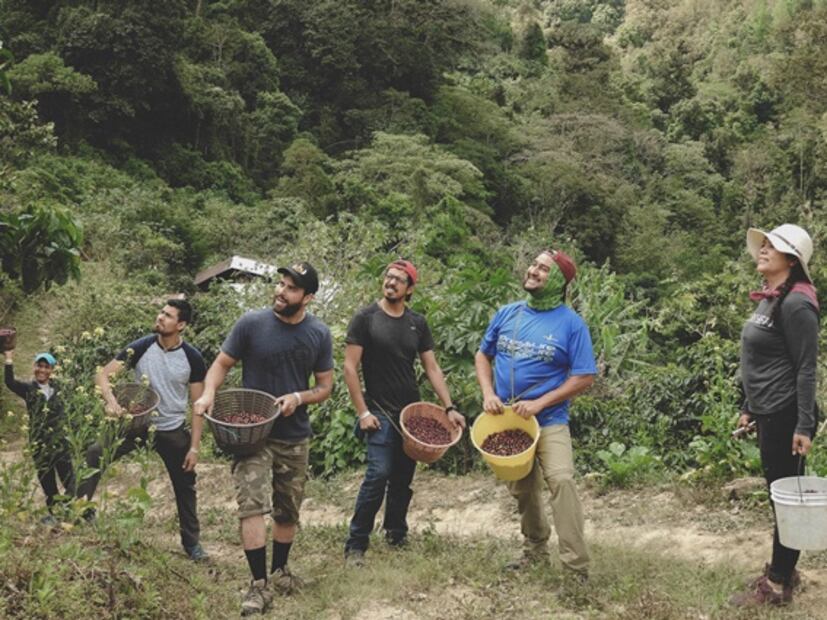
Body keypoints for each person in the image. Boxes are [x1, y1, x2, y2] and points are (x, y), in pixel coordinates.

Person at [193, 261, 333, 617]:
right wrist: (209, 392)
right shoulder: (251, 324)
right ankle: (258, 585)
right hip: (251, 435)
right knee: (251, 505)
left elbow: (325, 387)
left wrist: (298, 397)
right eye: (280, 283)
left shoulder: (319, 334)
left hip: (293, 434)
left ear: (308, 297)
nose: (281, 291)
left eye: (291, 288)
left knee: (288, 509)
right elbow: (221, 364)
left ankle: (281, 571)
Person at [475, 249, 596, 580]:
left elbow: (584, 376)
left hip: (550, 420)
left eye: (543, 269)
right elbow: (483, 356)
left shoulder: (571, 324)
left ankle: (576, 567)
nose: (533, 271)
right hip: (509, 421)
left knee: (562, 480)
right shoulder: (508, 314)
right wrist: (488, 393)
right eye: (534, 265)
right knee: (524, 489)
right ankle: (535, 551)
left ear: (557, 281)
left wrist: (541, 403)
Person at [343, 260, 465, 565]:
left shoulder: (417, 323)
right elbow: (350, 367)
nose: (391, 282)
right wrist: (362, 412)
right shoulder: (365, 318)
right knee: (378, 474)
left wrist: (449, 407)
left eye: (399, 279)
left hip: (410, 413)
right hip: (379, 411)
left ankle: (396, 534)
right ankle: (356, 544)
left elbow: (431, 367)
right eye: (389, 277)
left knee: (401, 477)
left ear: (410, 289)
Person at [76, 299, 209, 561]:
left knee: (186, 483)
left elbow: (198, 405)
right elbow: (103, 375)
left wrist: (194, 447)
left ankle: (192, 544)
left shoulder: (192, 358)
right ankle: (80, 511)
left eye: (168, 315)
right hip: (136, 422)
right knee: (95, 453)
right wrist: (111, 402)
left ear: (181, 325)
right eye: (161, 312)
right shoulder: (141, 346)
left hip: (171, 429)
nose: (160, 317)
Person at [731, 224, 819, 607]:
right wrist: (748, 406)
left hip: (786, 414)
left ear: (792, 259)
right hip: (768, 410)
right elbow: (760, 360)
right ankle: (786, 569)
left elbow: (806, 368)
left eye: (773, 246)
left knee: (785, 501)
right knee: (778, 497)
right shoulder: (772, 297)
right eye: (763, 244)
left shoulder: (797, 304)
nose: (763, 249)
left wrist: (803, 425)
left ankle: (778, 583)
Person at [4, 347, 74, 519]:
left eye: (46, 367)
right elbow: (9, 382)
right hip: (39, 443)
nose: (42, 370)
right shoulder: (28, 389)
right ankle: (55, 515)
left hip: (60, 442)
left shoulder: (60, 388)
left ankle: (78, 510)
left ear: (52, 370)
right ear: (34, 367)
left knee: (70, 479)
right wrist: (8, 358)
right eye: (39, 366)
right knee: (47, 482)